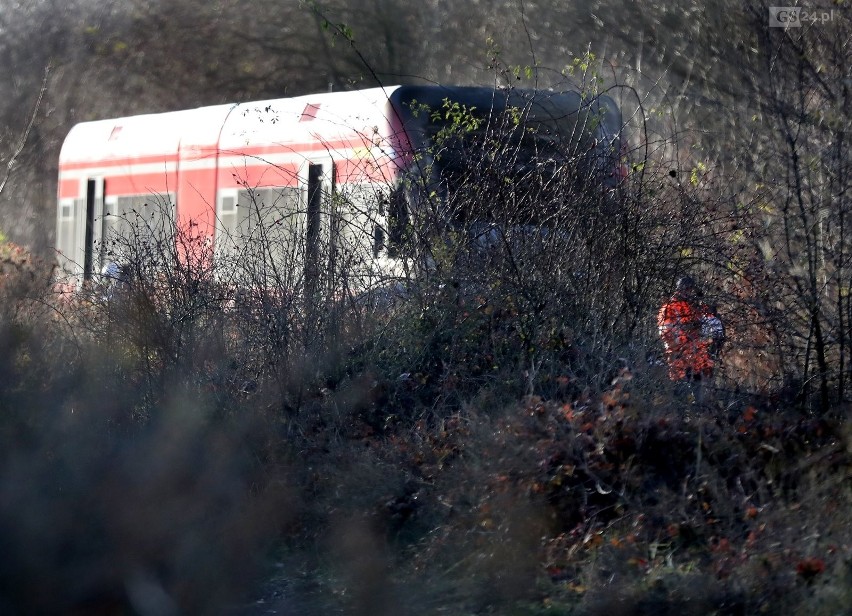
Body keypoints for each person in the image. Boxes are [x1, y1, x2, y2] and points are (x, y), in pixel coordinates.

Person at [657, 276, 725, 394]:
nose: (688, 291)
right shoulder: (668, 308)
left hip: (698, 358)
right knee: (681, 393)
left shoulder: (698, 307)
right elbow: (666, 333)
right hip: (679, 357)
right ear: (679, 289)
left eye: (690, 289)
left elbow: (715, 326)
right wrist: (686, 336)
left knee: (700, 392)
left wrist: (715, 338)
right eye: (686, 289)